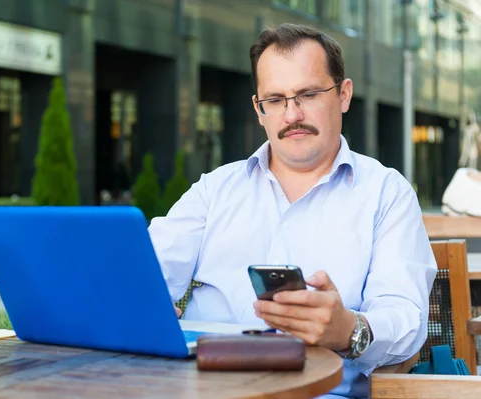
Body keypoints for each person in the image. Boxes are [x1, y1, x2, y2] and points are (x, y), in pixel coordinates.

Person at [148, 23, 437, 398]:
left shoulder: (386, 193)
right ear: (258, 109)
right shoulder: (214, 190)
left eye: (308, 94)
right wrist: (140, 309)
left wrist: (349, 329)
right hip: (202, 389)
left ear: (344, 94)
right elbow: (142, 275)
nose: (291, 115)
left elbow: (405, 320)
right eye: (275, 99)